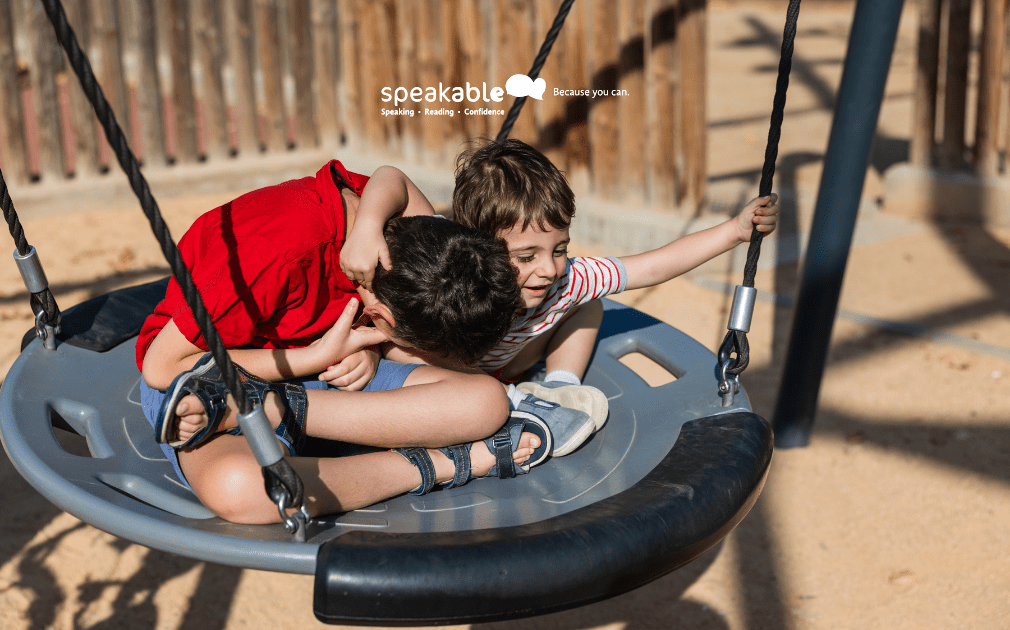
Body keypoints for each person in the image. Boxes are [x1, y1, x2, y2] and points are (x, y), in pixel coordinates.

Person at [137, 160, 561, 525]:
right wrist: (315, 356)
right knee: (243, 488)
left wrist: (371, 350)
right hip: (210, 382)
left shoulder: (412, 234)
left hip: (319, 379)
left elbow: (393, 178)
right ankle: (437, 464)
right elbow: (163, 366)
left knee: (486, 403)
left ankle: (281, 410)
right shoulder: (275, 251)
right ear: (381, 313)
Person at [341, 139, 779, 454]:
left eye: (560, 249)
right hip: (455, 374)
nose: (549, 269)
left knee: (586, 302)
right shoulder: (450, 269)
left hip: (515, 362)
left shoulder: (564, 280)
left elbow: (653, 266)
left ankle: (559, 388)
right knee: (406, 348)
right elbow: (390, 178)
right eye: (527, 256)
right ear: (475, 246)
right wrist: (367, 230)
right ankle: (505, 400)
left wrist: (734, 231)